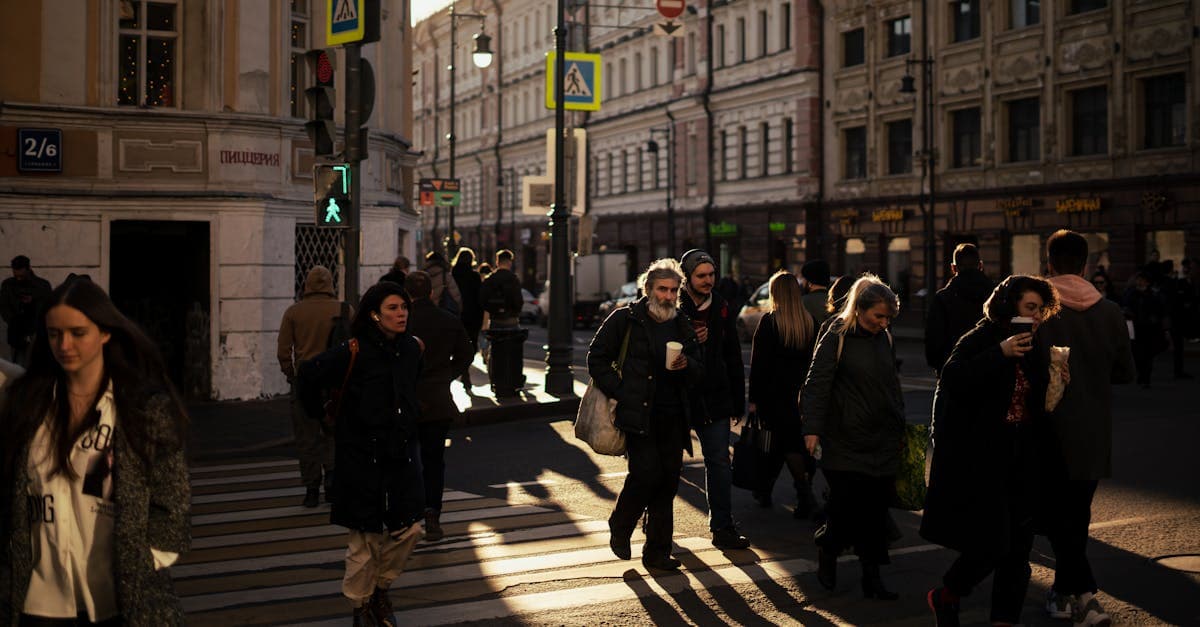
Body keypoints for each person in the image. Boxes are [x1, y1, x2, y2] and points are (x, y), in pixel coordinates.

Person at [0, 278, 190, 625]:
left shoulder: (142, 408)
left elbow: (172, 498)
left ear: (105, 333)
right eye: (54, 333)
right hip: (37, 602)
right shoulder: (27, 402)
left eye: (78, 332)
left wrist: (149, 559)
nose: (64, 344)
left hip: (118, 601)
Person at [922, 275, 1060, 627]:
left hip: (1024, 455)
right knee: (992, 544)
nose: (1038, 316)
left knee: (1019, 547)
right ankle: (948, 594)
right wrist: (999, 354)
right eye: (1031, 307)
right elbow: (953, 378)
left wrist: (1056, 385)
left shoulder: (1035, 340)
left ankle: (1004, 621)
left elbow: (1032, 400)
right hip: (984, 458)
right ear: (1009, 303)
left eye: (1042, 310)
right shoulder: (979, 337)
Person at [297, 281, 425, 627]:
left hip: (400, 456)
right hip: (361, 457)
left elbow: (412, 388)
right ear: (374, 314)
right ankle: (361, 607)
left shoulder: (412, 348)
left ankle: (381, 589)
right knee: (364, 540)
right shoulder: (354, 350)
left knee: (410, 529)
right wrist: (322, 416)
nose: (401, 314)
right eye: (393, 309)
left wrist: (410, 419)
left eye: (404, 308)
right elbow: (307, 374)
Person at [1036, 230, 1135, 626]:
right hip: (1094, 432)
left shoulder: (1038, 307)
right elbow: (1126, 372)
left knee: (1058, 518)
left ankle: (1083, 596)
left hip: (1047, 431)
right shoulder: (1110, 311)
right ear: (1085, 265)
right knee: (1076, 515)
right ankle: (1068, 596)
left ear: (1050, 264)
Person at [588, 259, 704, 571]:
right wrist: (622, 390)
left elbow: (698, 363)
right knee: (645, 475)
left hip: (673, 416)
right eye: (662, 289)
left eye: (673, 290)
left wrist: (687, 366)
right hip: (639, 415)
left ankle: (657, 552)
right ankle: (621, 524)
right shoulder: (625, 319)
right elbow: (596, 358)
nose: (668, 295)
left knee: (667, 484)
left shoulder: (681, 322)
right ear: (648, 289)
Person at [802, 274, 904, 599]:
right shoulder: (836, 335)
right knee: (845, 512)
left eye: (888, 317)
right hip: (844, 438)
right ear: (859, 309)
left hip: (882, 439)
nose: (883, 323)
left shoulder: (884, 337)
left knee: (874, 514)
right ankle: (828, 551)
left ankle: (872, 578)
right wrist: (812, 430)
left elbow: (892, 386)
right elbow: (817, 383)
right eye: (878, 316)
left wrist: (900, 427)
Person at [677, 249, 751, 550]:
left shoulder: (721, 305)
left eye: (711, 275)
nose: (709, 281)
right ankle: (656, 527)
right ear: (687, 278)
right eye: (701, 276)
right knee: (667, 466)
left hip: (715, 396)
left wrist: (737, 400)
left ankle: (722, 527)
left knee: (719, 463)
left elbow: (732, 355)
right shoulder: (673, 303)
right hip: (679, 397)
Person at [404, 271, 472, 542]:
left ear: (406, 293)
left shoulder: (401, 321)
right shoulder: (448, 320)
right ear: (431, 292)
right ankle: (433, 513)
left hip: (406, 400)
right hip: (438, 400)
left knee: (407, 460)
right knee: (434, 461)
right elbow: (466, 354)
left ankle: (408, 515)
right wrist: (447, 374)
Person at [748, 271, 819, 519]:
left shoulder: (770, 322)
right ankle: (771, 490)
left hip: (773, 396)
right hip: (800, 395)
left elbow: (758, 365)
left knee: (781, 444)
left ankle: (804, 495)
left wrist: (754, 399)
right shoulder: (809, 322)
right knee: (785, 444)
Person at [276, 265, 345, 507]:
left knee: (307, 436)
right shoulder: (344, 310)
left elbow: (283, 351)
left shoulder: (294, 312)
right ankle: (333, 483)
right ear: (330, 283)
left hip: (305, 383)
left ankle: (311, 488)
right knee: (333, 434)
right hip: (336, 382)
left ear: (307, 284)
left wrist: (291, 375)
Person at [924, 243, 993, 375]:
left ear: (953, 268)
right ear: (980, 266)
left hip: (952, 374)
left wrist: (944, 368)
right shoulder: (995, 295)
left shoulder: (942, 298)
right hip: (989, 373)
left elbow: (933, 346)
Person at [1, 255, 53, 366]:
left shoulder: (42, 286)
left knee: (33, 365)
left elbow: (47, 307)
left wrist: (33, 301)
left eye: (22, 276)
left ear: (28, 270)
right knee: (16, 366)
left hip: (35, 332)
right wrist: (14, 321)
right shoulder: (8, 285)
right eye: (17, 276)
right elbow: (4, 307)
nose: (19, 279)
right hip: (16, 332)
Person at [1123, 271, 1166, 387]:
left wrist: (1154, 318)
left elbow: (1159, 309)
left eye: (1141, 279)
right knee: (1137, 353)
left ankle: (1145, 377)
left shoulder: (1152, 294)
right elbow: (1126, 305)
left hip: (1149, 328)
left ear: (1146, 281)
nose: (1139, 281)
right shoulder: (1132, 293)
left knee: (1148, 354)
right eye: (1138, 279)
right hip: (1136, 327)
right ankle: (1141, 374)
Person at [451, 248, 484, 387]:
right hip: (473, 317)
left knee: (457, 345)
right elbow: (480, 299)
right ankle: (465, 371)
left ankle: (462, 372)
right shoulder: (475, 277)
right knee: (472, 345)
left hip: (455, 315)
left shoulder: (452, 275)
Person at [479, 250, 523, 328]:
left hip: (495, 319)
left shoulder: (490, 279)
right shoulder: (513, 279)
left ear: (497, 262)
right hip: (511, 319)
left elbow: (483, 299)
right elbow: (519, 300)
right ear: (510, 262)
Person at [800, 259, 832, 327]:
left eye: (803, 278)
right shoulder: (836, 300)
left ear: (809, 282)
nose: (802, 282)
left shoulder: (802, 302)